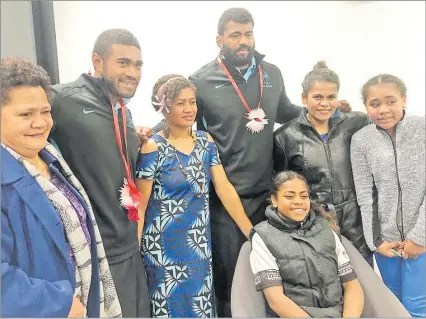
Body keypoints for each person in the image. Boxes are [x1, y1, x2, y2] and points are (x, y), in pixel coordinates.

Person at [141, 8, 353, 316]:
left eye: (248, 33)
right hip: (224, 201)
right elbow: (182, 121)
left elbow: (286, 111)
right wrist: (150, 131)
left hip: (268, 197)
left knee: (275, 277)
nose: (244, 41)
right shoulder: (201, 80)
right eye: (235, 35)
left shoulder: (272, 73)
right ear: (220, 40)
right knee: (231, 279)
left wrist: (327, 109)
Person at [1, 57, 121, 317]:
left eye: (45, 112)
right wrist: (59, 303)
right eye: (25, 114)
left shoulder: (50, 157)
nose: (41, 122)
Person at [49, 29, 150, 317]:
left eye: (138, 64)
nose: (133, 72)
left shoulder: (123, 110)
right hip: (96, 251)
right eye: (123, 62)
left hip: (129, 244)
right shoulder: (63, 99)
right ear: (97, 61)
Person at [135, 75, 253, 318]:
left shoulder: (205, 142)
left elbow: (224, 188)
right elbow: (140, 205)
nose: (189, 109)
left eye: (192, 102)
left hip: (198, 247)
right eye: (180, 103)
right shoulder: (152, 147)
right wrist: (134, 254)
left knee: (201, 309)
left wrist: (251, 232)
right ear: (164, 107)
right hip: (162, 250)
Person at [273, 61, 373, 264]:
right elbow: (281, 187)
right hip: (314, 225)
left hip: (356, 225)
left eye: (331, 97)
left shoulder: (356, 123)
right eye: (317, 97)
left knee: (364, 285)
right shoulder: (285, 136)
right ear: (304, 98)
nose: (325, 103)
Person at [351, 74, 425, 317]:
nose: (383, 109)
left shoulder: (422, 130)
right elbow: (365, 194)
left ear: (404, 99)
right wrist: (376, 242)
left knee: (417, 306)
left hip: (422, 240)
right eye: (374, 104)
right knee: (391, 304)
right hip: (387, 244)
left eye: (390, 101)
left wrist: (420, 237)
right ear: (366, 106)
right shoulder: (361, 140)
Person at [250, 171, 364, 318]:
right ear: (274, 200)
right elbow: (276, 301)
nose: (298, 201)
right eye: (289, 196)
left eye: (304, 196)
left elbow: (351, 285)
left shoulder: (326, 228)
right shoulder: (262, 236)